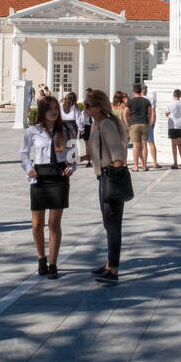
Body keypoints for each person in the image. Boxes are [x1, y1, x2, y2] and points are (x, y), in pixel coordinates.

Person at [21, 95, 77, 279]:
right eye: (49, 109)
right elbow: (23, 153)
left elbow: (74, 153)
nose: (53, 112)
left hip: (59, 176)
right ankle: (41, 258)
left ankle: (53, 264)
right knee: (37, 223)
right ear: (43, 111)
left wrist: (72, 167)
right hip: (40, 176)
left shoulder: (66, 129)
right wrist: (28, 168)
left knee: (54, 223)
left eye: (55, 108)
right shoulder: (33, 130)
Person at [85, 90, 129, 285]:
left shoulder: (106, 124)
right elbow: (97, 152)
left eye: (88, 106)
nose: (85, 109)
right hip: (102, 176)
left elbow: (119, 154)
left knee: (113, 224)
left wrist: (114, 176)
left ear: (99, 107)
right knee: (108, 223)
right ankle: (109, 263)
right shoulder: (96, 125)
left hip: (110, 177)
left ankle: (113, 269)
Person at [126, 84, 153, 171]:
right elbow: (150, 112)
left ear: (133, 91)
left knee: (135, 146)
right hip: (144, 123)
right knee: (144, 145)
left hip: (134, 124)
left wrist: (127, 124)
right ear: (141, 91)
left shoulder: (130, 101)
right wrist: (149, 122)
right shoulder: (146, 101)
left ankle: (136, 166)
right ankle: (144, 166)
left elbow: (125, 113)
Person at [165, 89, 181, 169]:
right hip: (180, 125)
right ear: (180, 96)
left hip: (173, 125)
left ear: (173, 95)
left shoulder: (170, 104)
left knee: (174, 145)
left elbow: (167, 114)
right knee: (179, 144)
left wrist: (167, 114)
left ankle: (175, 163)